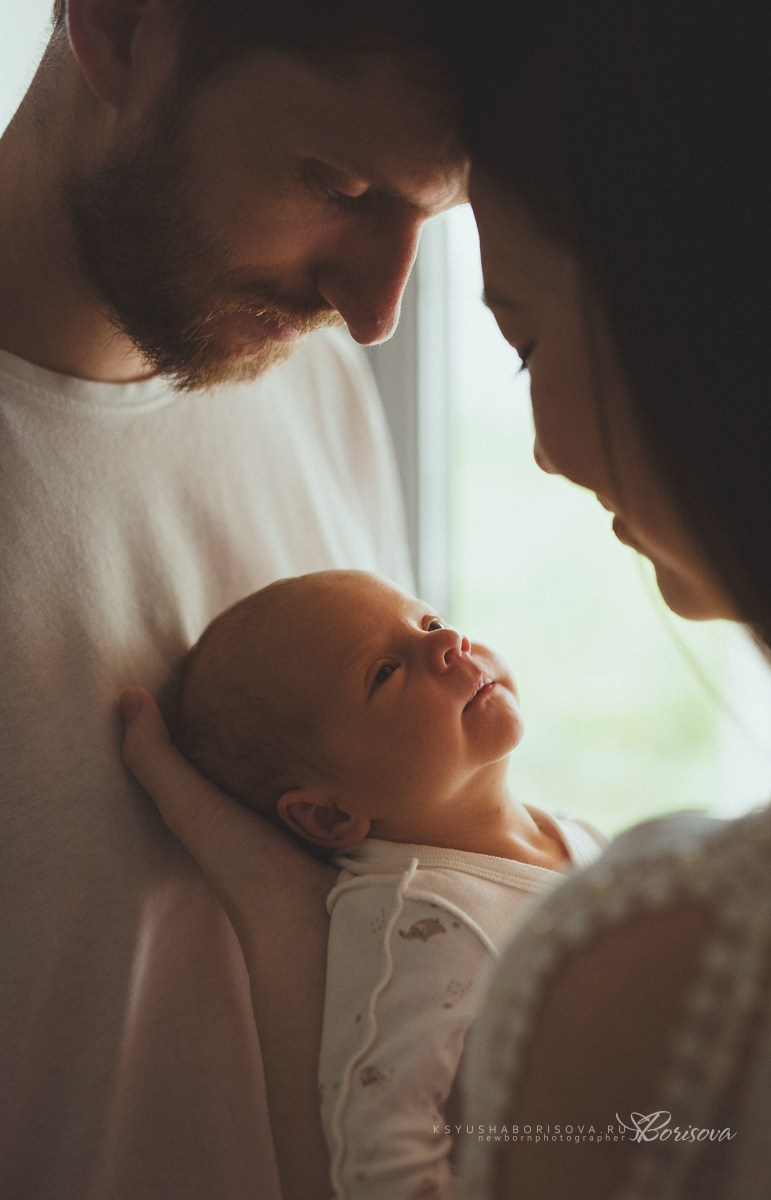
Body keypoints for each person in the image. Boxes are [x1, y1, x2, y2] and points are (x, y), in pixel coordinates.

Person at [120, 1, 771, 1197]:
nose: (373, 316)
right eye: (334, 180)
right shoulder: (594, 934)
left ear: (692, 333)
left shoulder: (677, 953)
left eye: (527, 343)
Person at [0, 2, 466, 1197]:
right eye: (337, 181)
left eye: (428, 221)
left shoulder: (304, 384)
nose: (372, 311)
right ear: (111, 25)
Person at [170, 568, 603, 1198]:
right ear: (330, 814)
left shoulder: (574, 834)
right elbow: (378, 1163)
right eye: (384, 672)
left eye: (427, 621)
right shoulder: (421, 922)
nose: (447, 640)